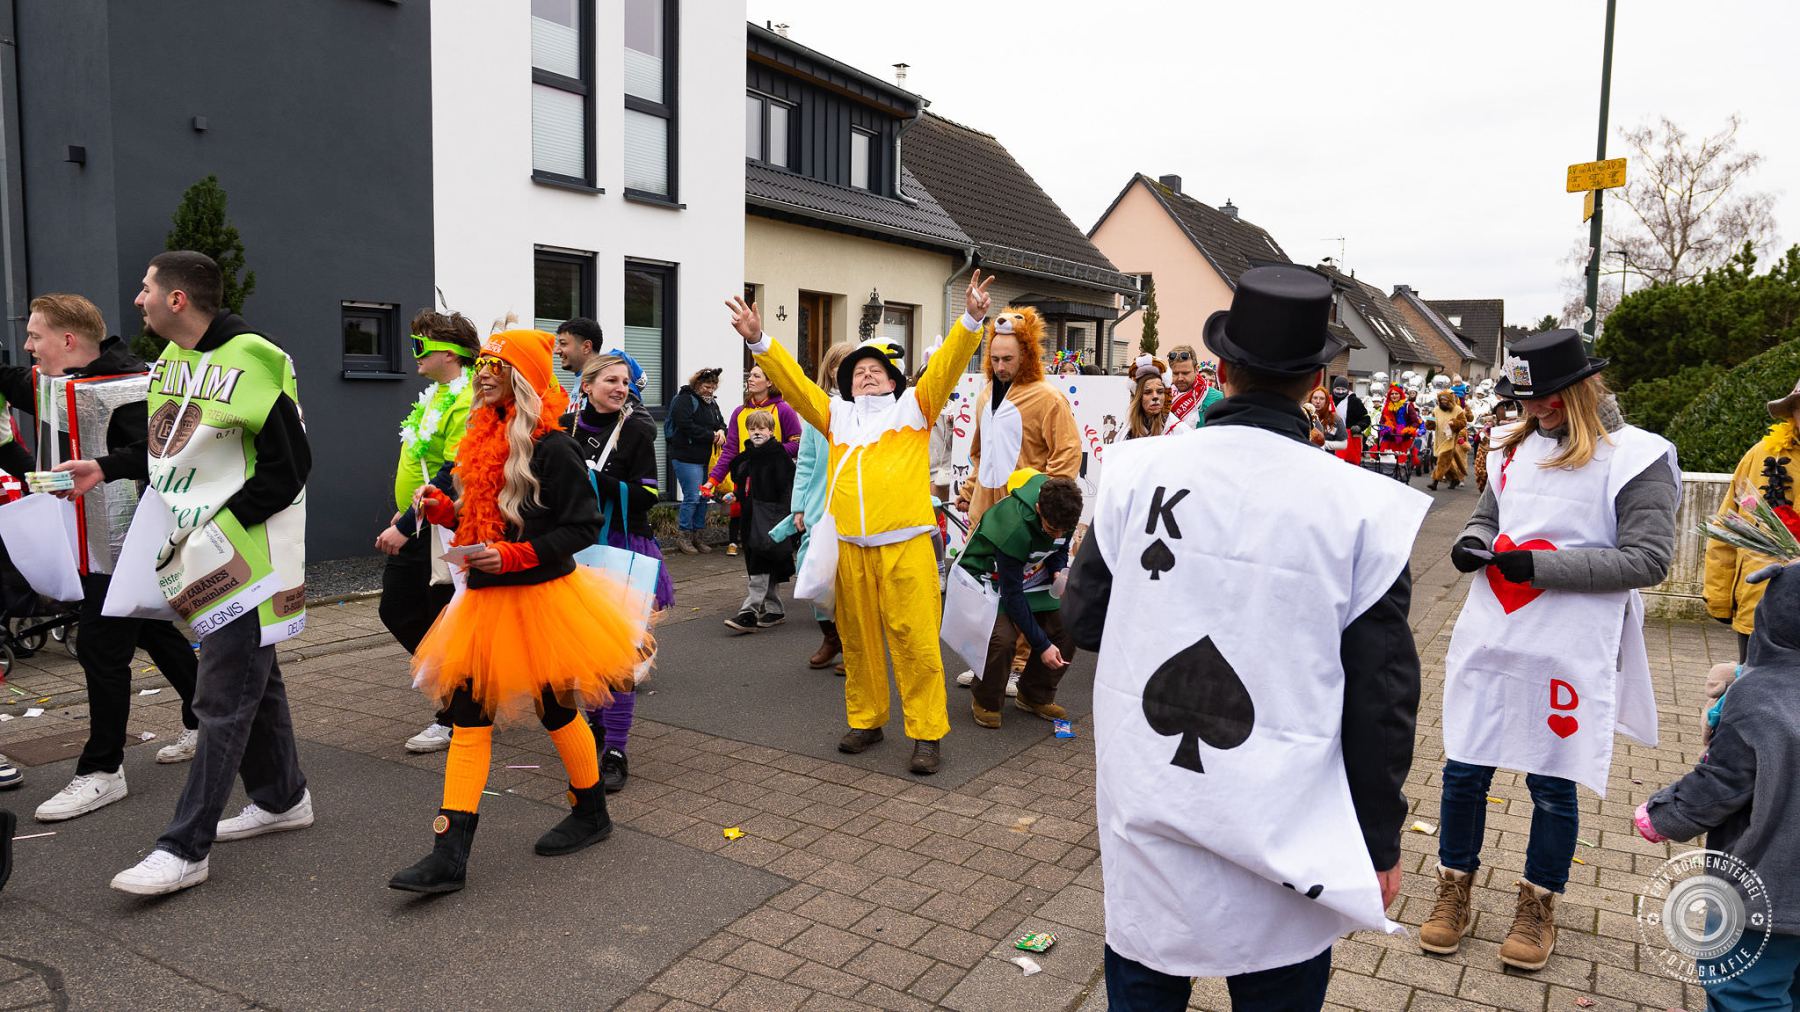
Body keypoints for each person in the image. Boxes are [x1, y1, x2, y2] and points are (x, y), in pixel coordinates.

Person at [1066, 266, 1426, 1011]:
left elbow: (1085, 619)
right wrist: (1378, 837)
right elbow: (1382, 696)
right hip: (1286, 823)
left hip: (1155, 802)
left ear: (1222, 370)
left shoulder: (1136, 472)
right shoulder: (1363, 508)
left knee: (1145, 979)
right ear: (1316, 383)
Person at [1428, 329, 1679, 971]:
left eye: (1546, 398)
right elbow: (1491, 516)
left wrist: (1541, 567)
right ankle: (1453, 888)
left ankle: (1537, 903)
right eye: (1525, 399)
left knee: (1552, 778)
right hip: (1496, 631)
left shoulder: (1637, 457)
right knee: (1464, 766)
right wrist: (1472, 541)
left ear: (1581, 388)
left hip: (1567, 645)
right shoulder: (1513, 446)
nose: (1534, 410)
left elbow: (1648, 559)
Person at [390, 329, 647, 893]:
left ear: (523, 379)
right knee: (468, 717)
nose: (482, 373)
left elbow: (581, 527)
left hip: (542, 599)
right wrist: (445, 512)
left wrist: (514, 555)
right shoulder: (481, 438)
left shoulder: (553, 447)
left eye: (496, 365)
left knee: (556, 709)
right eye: (481, 363)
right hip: (485, 602)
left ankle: (591, 812)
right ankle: (449, 855)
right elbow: (482, 522)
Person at [726, 270, 993, 775]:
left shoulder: (915, 407)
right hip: (851, 549)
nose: (866, 375)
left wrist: (971, 322)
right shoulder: (836, 416)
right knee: (859, 642)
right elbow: (796, 386)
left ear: (893, 379)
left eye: (876, 370)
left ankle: (927, 732)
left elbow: (947, 368)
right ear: (847, 382)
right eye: (857, 371)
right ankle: (867, 719)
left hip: (906, 547)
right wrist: (759, 341)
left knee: (916, 643)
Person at [109, 251, 312, 896]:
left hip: (242, 560)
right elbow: (168, 449)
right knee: (255, 677)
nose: (137, 299)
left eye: (146, 288)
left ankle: (183, 848)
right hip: (200, 549)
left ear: (177, 299)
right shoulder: (172, 360)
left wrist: (221, 529)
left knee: (220, 699)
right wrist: (104, 469)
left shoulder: (256, 357)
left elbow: (290, 467)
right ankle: (282, 798)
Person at [0, 293, 200, 822]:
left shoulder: (135, 386)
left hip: (124, 544)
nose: (28, 346)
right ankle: (207, 717)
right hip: (85, 545)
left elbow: (165, 459)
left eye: (35, 336)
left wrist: (106, 468)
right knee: (153, 630)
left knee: (100, 649)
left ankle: (103, 770)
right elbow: (10, 380)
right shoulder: (54, 381)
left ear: (68, 340)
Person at [1636, 559, 1800, 1011]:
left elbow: (1721, 782)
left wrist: (1663, 815)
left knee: (1744, 991)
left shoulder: (1758, 694)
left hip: (1767, 891)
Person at [377, 309, 480, 756]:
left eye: (420, 345)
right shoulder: (438, 394)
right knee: (402, 611)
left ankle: (460, 713)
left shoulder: (466, 398)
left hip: (439, 529)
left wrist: (406, 525)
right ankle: (465, 698)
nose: (413, 353)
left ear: (449, 353)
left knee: (432, 617)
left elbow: (453, 472)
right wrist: (404, 514)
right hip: (420, 523)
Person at [569, 353, 672, 793]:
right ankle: (595, 726)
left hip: (623, 547)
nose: (620, 388)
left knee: (619, 655)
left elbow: (648, 494)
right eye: (611, 380)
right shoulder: (564, 428)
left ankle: (615, 749)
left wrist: (597, 480)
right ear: (586, 386)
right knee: (586, 653)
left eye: (625, 381)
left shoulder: (636, 431)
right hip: (575, 550)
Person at [958, 472, 1083, 729]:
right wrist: (1042, 644)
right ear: (1038, 509)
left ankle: (1034, 695)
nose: (1057, 534)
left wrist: (1057, 570)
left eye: (1063, 530)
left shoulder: (1064, 514)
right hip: (988, 577)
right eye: (1051, 529)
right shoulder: (1013, 525)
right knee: (1002, 638)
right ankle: (986, 700)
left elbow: (1059, 549)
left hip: (1029, 572)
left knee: (1068, 625)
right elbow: (1012, 595)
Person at [1705, 375, 1800, 661]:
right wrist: (1719, 597)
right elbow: (1729, 525)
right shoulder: (1762, 455)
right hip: (1760, 603)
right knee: (1755, 684)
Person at [772, 342, 853, 672]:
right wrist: (799, 507)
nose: (846, 369)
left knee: (849, 582)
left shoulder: (870, 409)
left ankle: (853, 646)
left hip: (854, 508)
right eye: (839, 363)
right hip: (820, 505)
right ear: (830, 369)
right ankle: (831, 635)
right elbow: (805, 461)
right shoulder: (819, 409)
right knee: (813, 572)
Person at [703, 365, 801, 556]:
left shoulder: (784, 410)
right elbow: (730, 451)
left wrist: (769, 451)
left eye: (756, 376)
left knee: (774, 536)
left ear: (770, 382)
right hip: (747, 482)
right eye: (750, 376)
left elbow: (797, 444)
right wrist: (712, 481)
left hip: (775, 483)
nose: (750, 379)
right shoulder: (739, 412)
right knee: (750, 534)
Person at [723, 409, 797, 632]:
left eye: (762, 428)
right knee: (762, 561)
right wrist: (736, 494)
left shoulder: (778, 457)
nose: (757, 433)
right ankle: (774, 609)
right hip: (750, 518)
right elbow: (746, 485)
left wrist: (787, 517)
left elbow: (788, 488)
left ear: (771, 431)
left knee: (761, 562)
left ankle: (749, 612)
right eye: (752, 428)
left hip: (771, 518)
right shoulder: (747, 458)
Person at [665, 367, 727, 555]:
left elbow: (720, 423)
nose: (710, 390)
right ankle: (684, 536)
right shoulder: (684, 400)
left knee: (704, 496)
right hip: (686, 457)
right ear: (697, 384)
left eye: (713, 387)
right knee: (692, 496)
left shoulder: (711, 403)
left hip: (706, 458)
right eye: (707, 386)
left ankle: (698, 536)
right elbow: (685, 425)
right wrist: (711, 436)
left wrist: (722, 431)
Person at [1165, 345, 1224, 431]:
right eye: (1175, 373)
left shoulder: (1219, 399)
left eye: (1185, 373)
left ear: (1196, 370)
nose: (1180, 378)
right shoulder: (1164, 399)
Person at [553, 317, 603, 414]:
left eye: (563, 343)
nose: (556, 351)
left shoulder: (603, 385)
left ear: (586, 347)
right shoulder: (582, 380)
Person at [1425, 388, 1470, 491]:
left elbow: (1463, 423)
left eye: (1445, 399)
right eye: (1441, 399)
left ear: (1450, 399)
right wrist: (1429, 423)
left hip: (1450, 440)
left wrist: (1454, 423)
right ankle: (1455, 479)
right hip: (1438, 440)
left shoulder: (1458, 410)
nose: (1443, 401)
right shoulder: (1436, 410)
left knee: (1441, 461)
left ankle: (1435, 482)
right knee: (1446, 462)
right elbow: (1431, 424)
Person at [1374, 384, 1420, 477]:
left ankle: (1401, 476)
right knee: (1384, 460)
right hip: (1389, 438)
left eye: (1396, 394)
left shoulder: (1407, 406)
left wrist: (1408, 431)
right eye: (1392, 394)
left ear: (1400, 395)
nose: (1394, 396)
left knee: (1401, 463)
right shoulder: (1386, 407)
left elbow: (1415, 422)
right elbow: (1382, 422)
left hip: (1403, 439)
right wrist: (1385, 430)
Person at [1329, 375, 1370, 465]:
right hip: (1331, 437)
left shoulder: (1355, 401)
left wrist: (1359, 426)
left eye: (1343, 389)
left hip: (1350, 439)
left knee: (1349, 464)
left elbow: (1366, 418)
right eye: (1338, 389)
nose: (1340, 392)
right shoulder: (1328, 400)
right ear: (1333, 389)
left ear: (1347, 389)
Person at [1125, 358, 1170, 439]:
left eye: (1160, 391)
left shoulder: (1175, 429)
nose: (1155, 396)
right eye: (1148, 392)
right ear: (1138, 397)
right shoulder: (1126, 431)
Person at [1304, 385, 1347, 454]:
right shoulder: (1303, 416)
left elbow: (1344, 444)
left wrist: (1324, 444)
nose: (1318, 401)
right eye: (1315, 398)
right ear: (1310, 399)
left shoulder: (1335, 419)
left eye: (1322, 398)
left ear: (1326, 401)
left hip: (1327, 457)